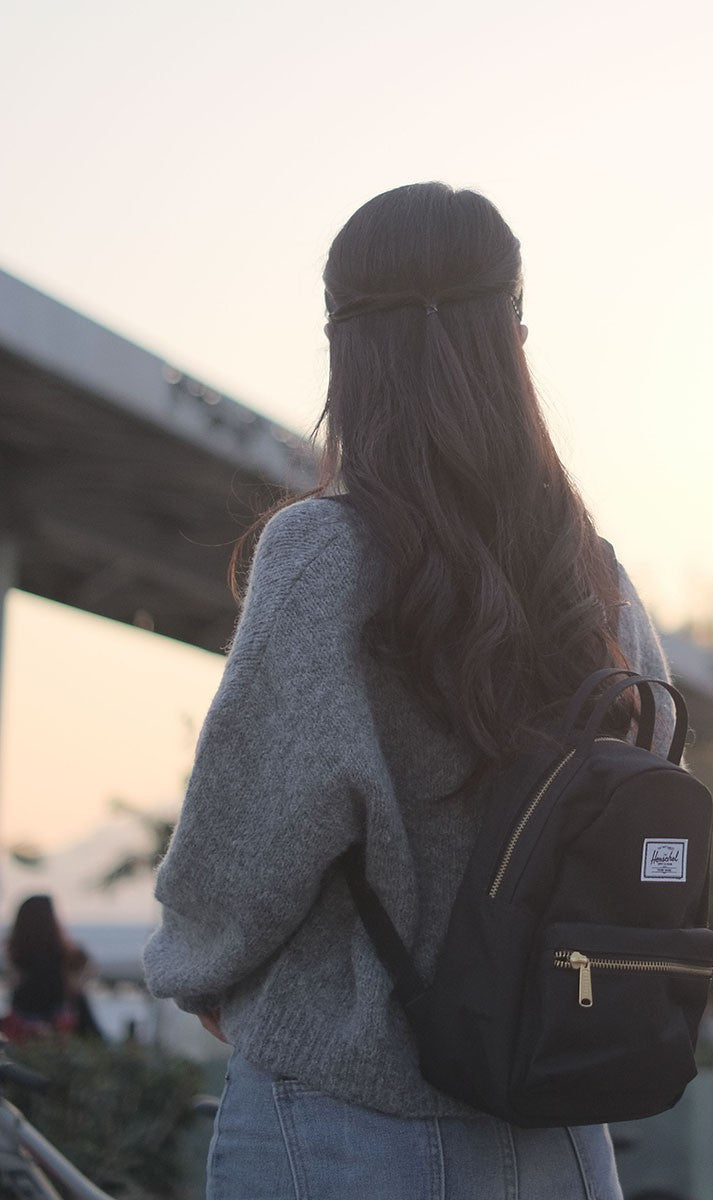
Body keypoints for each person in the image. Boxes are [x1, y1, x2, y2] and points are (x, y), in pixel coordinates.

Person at [143, 182, 674, 1199]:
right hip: (564, 1128)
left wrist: (197, 968)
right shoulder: (590, 575)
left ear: (347, 350)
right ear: (513, 337)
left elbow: (247, 836)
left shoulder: (324, 554)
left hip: (349, 1123)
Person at [3, 894, 103, 1041]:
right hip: (67, 1051)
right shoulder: (66, 963)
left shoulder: (22, 966)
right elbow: (92, 1034)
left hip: (27, 1054)